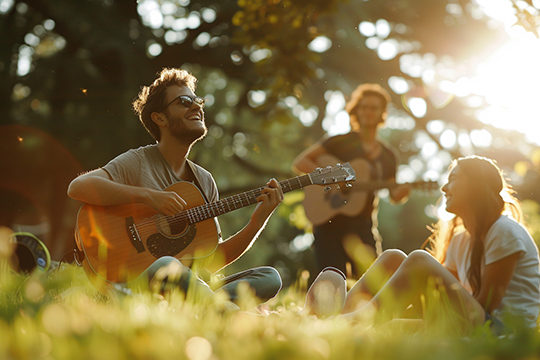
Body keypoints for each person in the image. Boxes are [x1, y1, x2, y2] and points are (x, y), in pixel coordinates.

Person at [67, 68, 284, 310]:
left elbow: (211, 259)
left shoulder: (204, 181)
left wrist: (257, 223)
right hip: (136, 281)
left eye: (197, 101)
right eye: (184, 102)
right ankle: (220, 309)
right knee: (165, 265)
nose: (196, 107)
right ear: (160, 118)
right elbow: (79, 187)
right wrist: (149, 196)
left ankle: (210, 307)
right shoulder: (139, 161)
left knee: (269, 278)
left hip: (184, 284)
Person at [302, 156, 540, 333]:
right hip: (473, 317)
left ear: (476, 185)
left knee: (418, 261)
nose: (444, 188)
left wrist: (409, 311)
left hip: (500, 330)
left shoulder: (504, 231)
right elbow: (438, 291)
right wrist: (402, 311)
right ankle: (343, 316)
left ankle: (352, 321)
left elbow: (486, 305)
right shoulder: (461, 239)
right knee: (393, 257)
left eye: (453, 180)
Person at [292, 84, 410, 277]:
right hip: (328, 223)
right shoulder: (339, 142)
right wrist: (331, 179)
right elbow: (301, 162)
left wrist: (402, 193)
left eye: (374, 107)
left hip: (363, 225)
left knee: (372, 282)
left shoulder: (388, 156)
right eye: (364, 107)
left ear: (382, 113)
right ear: (356, 110)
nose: (368, 112)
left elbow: (394, 194)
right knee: (331, 283)